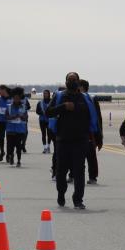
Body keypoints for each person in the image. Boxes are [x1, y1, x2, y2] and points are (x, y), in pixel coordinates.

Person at [46, 72, 92, 209]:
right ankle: (61, 193)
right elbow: (48, 112)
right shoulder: (59, 96)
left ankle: (78, 199)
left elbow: (92, 116)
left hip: (80, 140)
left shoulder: (85, 98)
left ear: (78, 81)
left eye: (74, 79)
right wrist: (63, 107)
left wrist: (96, 137)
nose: (72, 81)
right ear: (66, 81)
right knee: (61, 170)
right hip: (63, 140)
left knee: (79, 171)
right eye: (69, 79)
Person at [78, 79, 103, 184]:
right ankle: (75, 176)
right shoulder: (77, 98)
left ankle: (92, 177)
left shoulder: (91, 99)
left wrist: (99, 136)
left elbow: (98, 118)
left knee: (90, 155)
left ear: (82, 87)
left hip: (89, 132)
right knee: (79, 156)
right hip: (81, 131)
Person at [6, 86, 29, 166]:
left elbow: (26, 117)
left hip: (20, 130)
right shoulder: (9, 107)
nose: (16, 99)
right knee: (10, 146)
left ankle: (19, 160)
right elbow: (6, 117)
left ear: (20, 98)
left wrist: (22, 117)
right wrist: (14, 117)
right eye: (15, 98)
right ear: (12, 98)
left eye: (18, 98)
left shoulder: (23, 107)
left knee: (18, 146)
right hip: (10, 130)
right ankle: (11, 155)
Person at [0, 84, 11, 162]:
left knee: (9, 139)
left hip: (9, 122)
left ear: (4, 90)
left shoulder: (11, 99)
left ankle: (8, 154)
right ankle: (2, 151)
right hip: (0, 122)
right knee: (1, 138)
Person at [36, 89, 52, 154]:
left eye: (46, 93)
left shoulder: (52, 102)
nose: (45, 95)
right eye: (44, 93)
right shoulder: (40, 102)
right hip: (42, 120)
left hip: (49, 120)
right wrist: (41, 112)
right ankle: (45, 147)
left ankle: (48, 146)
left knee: (49, 134)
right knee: (43, 134)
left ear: (49, 94)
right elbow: (37, 111)